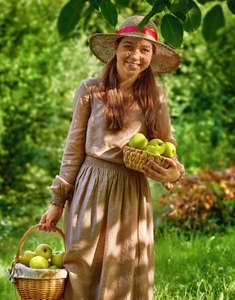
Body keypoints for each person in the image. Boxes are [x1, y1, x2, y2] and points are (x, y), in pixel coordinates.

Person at [39, 16, 185, 300]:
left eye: (145, 50)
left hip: (131, 191)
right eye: (129, 47)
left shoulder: (155, 97)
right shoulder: (90, 90)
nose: (136, 56)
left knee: (124, 270)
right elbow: (73, 149)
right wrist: (58, 201)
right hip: (89, 187)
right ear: (116, 48)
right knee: (80, 266)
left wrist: (172, 173)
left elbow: (166, 146)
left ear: (152, 56)